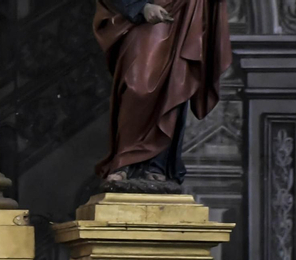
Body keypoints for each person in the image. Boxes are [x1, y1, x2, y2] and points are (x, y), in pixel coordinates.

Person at [93, 0, 232, 188]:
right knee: (137, 86)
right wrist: (141, 7)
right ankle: (124, 161)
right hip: (144, 16)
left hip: (183, 16)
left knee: (174, 85)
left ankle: (157, 165)